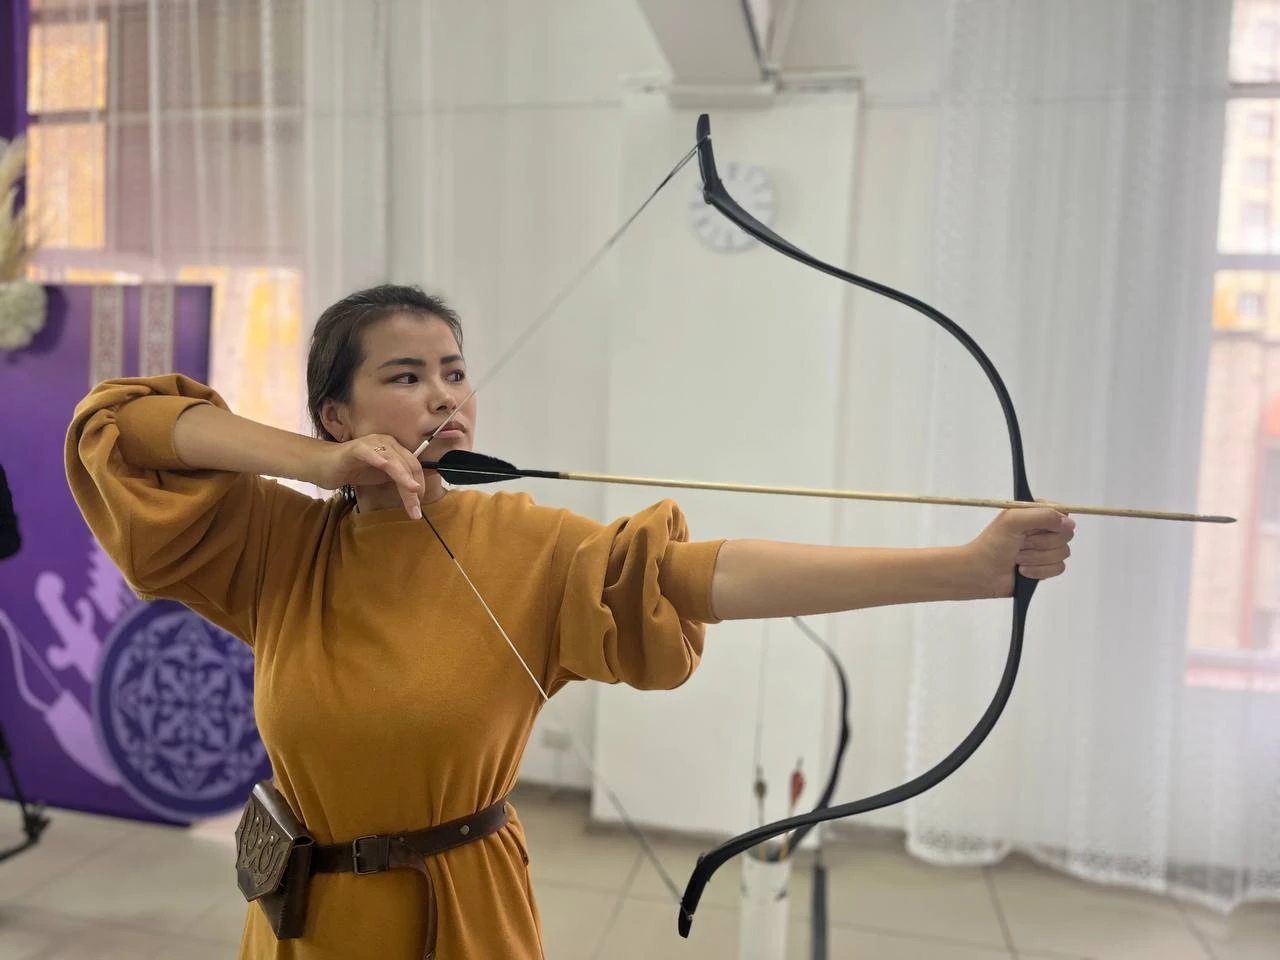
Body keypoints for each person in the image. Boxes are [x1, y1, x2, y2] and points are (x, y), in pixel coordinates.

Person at [64, 284, 1075, 960]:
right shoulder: (283, 543)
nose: (443, 396)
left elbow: (700, 577)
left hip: (458, 914)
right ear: (338, 412)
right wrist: (317, 465)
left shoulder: (528, 545)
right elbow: (118, 425)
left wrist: (962, 569)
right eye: (405, 376)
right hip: (299, 917)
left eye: (453, 371)